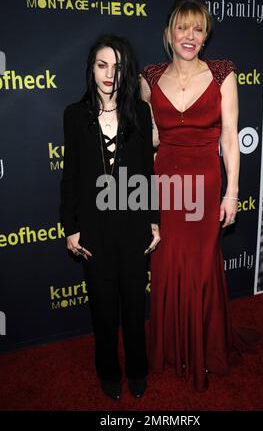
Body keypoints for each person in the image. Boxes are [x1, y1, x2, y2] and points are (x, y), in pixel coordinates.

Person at [141, 0, 258, 391]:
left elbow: (230, 136)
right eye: (182, 28)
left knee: (202, 266)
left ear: (205, 36)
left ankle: (205, 348)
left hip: (205, 184)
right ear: (169, 33)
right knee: (167, 264)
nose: (189, 36)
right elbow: (148, 137)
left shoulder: (224, 73)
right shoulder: (150, 77)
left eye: (198, 29)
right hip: (166, 184)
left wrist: (232, 192)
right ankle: (173, 347)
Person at [60, 34, 160, 400]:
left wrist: (154, 220)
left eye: (117, 67)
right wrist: (70, 227)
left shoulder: (140, 111)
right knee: (103, 310)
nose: (109, 74)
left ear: (127, 73)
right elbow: (70, 174)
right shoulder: (75, 114)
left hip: (133, 227)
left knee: (135, 307)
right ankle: (108, 371)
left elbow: (148, 174)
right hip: (94, 231)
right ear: (92, 68)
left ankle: (137, 368)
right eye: (102, 65)